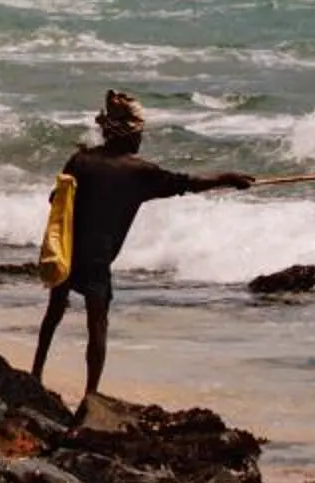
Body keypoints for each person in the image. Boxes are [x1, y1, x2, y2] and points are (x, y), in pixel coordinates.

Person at [31, 88, 252, 410]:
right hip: (97, 260)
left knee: (54, 313)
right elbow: (188, 183)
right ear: (129, 135)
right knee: (97, 325)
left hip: (67, 250)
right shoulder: (139, 172)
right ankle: (90, 398)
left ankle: (35, 374)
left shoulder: (81, 160)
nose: (141, 140)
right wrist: (229, 178)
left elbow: (56, 197)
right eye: (140, 134)